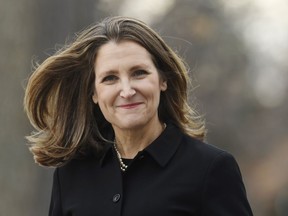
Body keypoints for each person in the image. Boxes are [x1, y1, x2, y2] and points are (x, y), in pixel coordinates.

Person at [24, 16, 253, 216]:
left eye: (139, 73)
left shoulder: (211, 168)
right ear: (93, 93)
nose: (127, 90)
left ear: (163, 80)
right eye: (110, 78)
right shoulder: (71, 173)